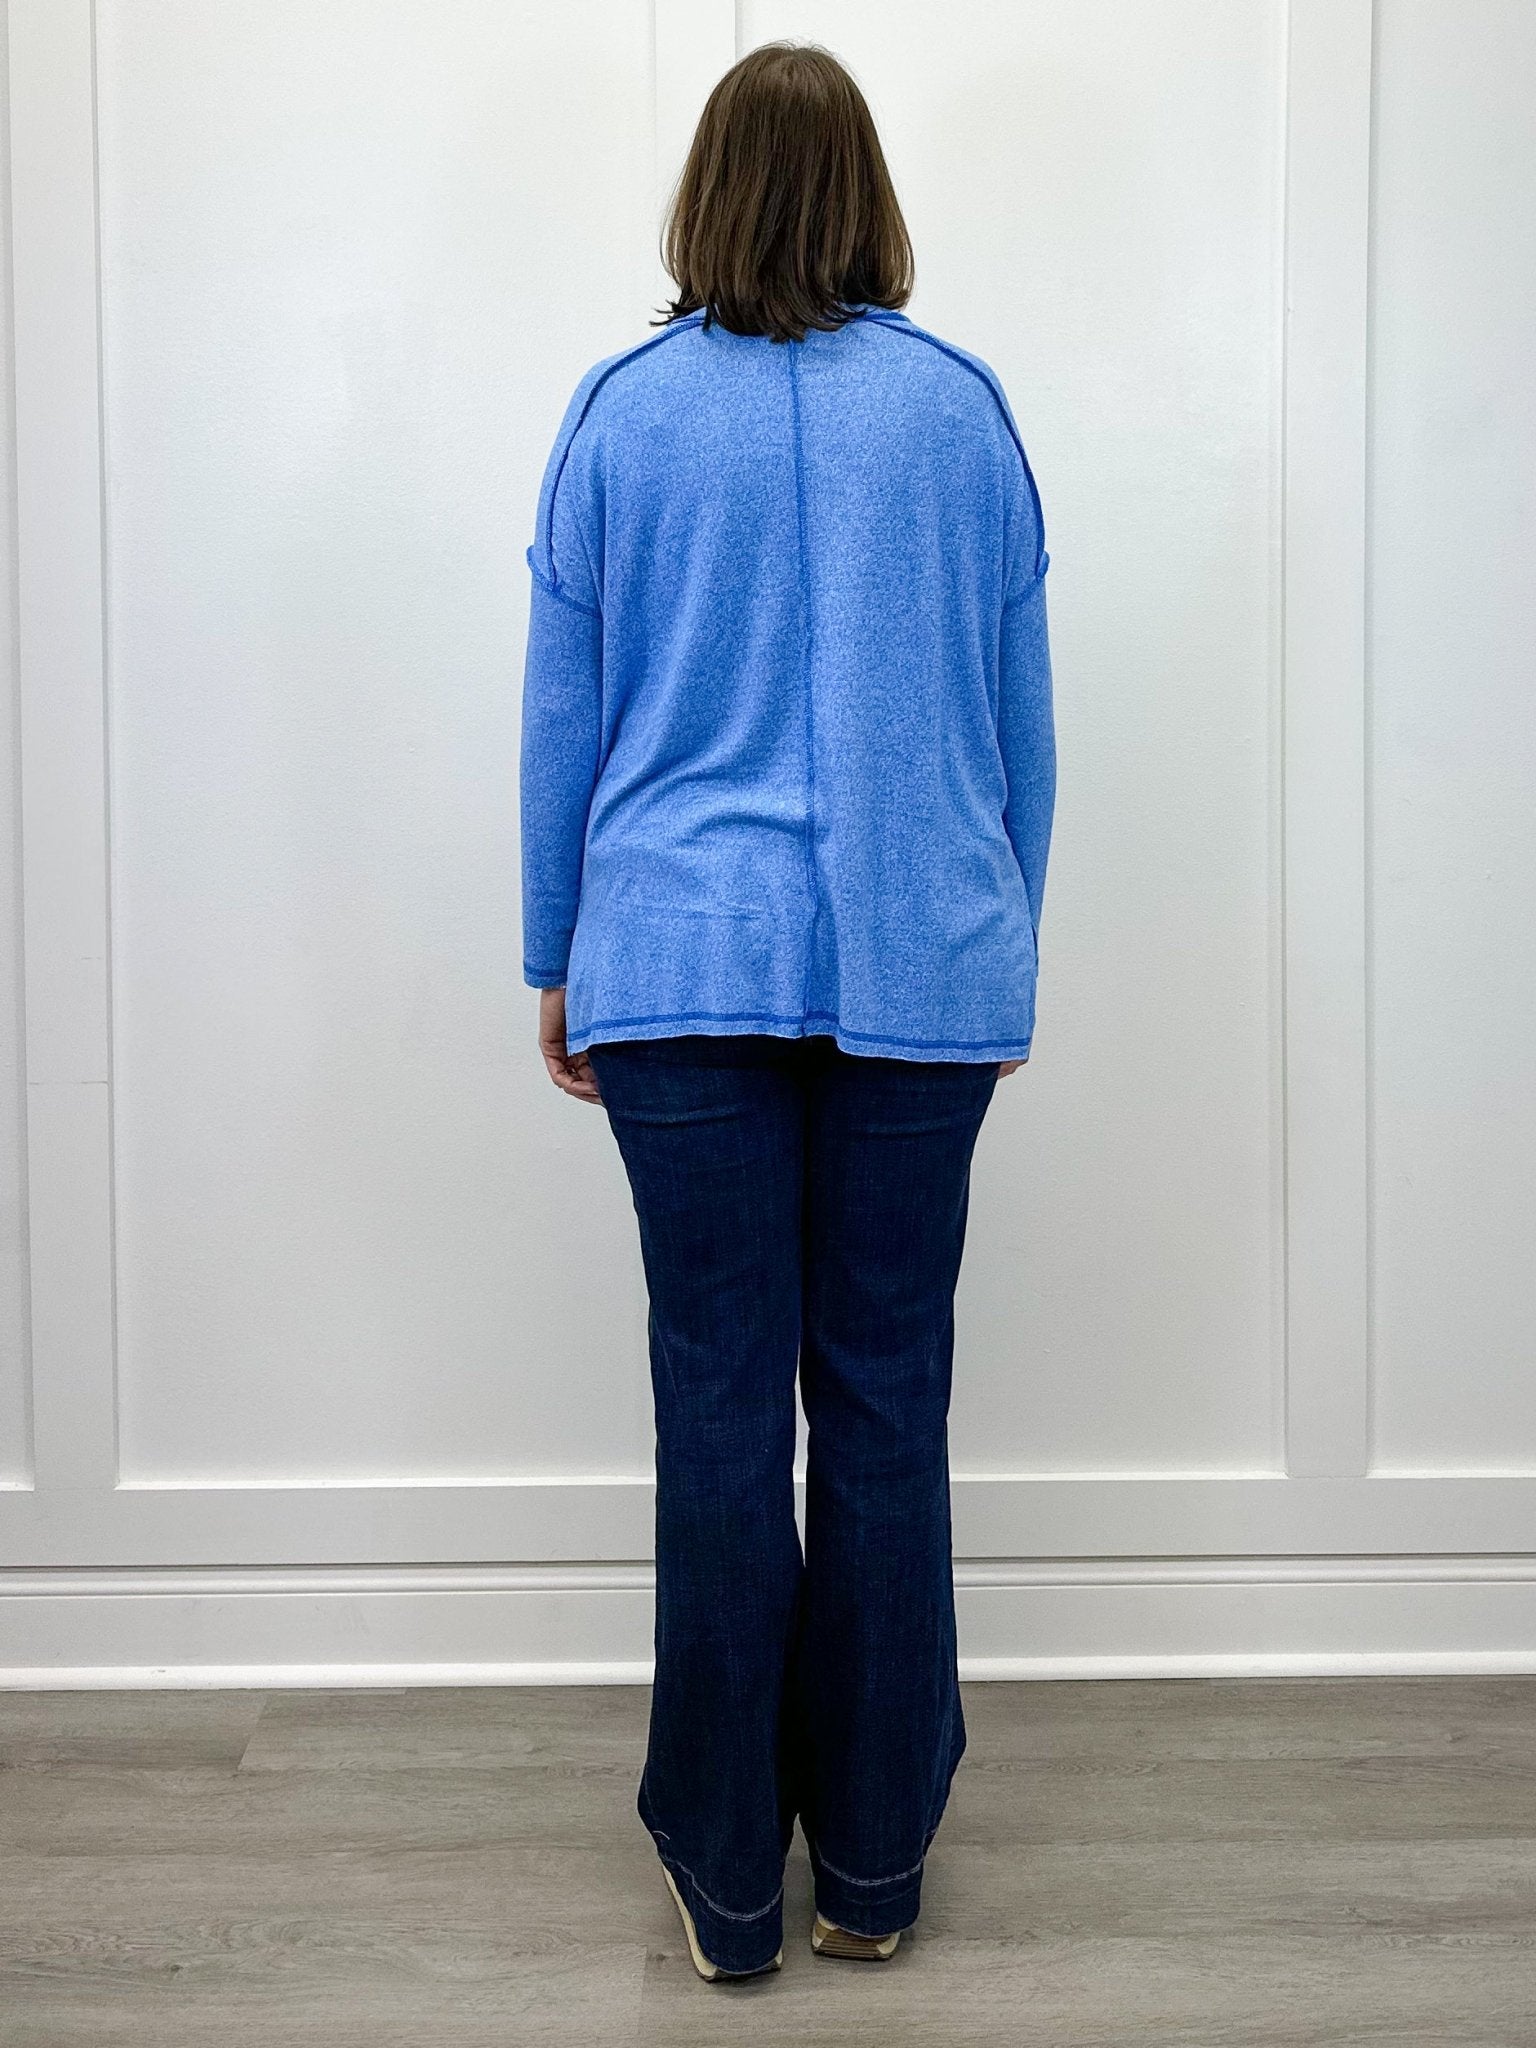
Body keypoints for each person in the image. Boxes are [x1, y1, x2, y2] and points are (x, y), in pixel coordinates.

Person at [518, 40, 1056, 1982]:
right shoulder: (963, 413)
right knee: (887, 1404)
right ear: (870, 196)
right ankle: (879, 1873)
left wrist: (556, 951)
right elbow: (1018, 723)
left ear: (707, 193)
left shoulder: (621, 415)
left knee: (723, 1408)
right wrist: (1001, 942)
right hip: (924, 965)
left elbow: (565, 718)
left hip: (675, 965)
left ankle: (732, 1883)